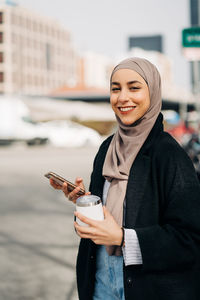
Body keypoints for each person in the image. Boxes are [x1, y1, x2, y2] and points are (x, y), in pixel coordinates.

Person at [50, 57, 200, 300]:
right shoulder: (107, 148)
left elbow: (190, 240)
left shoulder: (168, 155)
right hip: (101, 280)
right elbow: (114, 210)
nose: (122, 97)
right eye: (115, 89)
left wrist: (122, 238)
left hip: (148, 287)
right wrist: (86, 200)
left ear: (152, 92)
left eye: (134, 87)